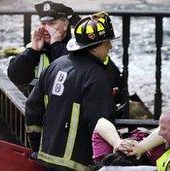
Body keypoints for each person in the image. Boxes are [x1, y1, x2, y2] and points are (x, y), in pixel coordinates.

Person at [25, 11, 123, 170]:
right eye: (107, 42)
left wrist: (36, 146)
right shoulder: (96, 76)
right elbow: (101, 122)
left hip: (46, 156)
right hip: (76, 163)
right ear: (95, 46)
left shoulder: (55, 65)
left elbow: (33, 107)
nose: (110, 46)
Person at [7, 1, 80, 86]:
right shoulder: (35, 46)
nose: (46, 28)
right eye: (43, 24)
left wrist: (56, 45)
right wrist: (32, 52)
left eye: (52, 23)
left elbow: (74, 74)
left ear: (65, 25)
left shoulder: (77, 45)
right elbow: (16, 77)